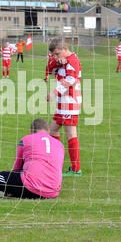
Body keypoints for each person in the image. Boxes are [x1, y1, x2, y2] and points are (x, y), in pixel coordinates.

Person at [46, 38, 82, 176]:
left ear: (65, 49)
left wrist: (54, 93)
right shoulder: (61, 59)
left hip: (70, 102)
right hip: (62, 103)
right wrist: (56, 61)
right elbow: (49, 69)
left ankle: (76, 169)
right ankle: (55, 162)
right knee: (53, 131)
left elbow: (70, 80)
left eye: (57, 54)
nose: (55, 57)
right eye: (54, 55)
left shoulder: (73, 60)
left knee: (71, 134)